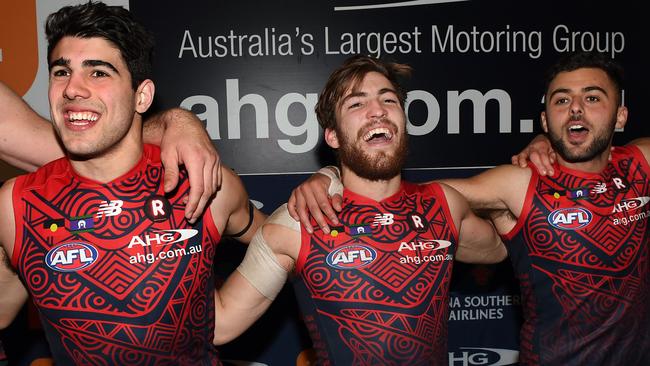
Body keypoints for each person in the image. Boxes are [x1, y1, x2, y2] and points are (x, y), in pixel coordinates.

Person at [290, 51, 650, 365]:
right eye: (561, 100)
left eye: (592, 98)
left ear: (620, 116)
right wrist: (330, 175)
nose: (575, 108)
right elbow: (395, 191)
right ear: (545, 121)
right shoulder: (518, 182)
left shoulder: (643, 163)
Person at [0, 2, 265, 364]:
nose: (72, 89)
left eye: (98, 73)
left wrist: (326, 179)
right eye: (61, 71)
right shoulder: (16, 203)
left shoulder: (204, 184)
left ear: (141, 96)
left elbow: (286, 244)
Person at [211, 54, 506, 365]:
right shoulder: (297, 224)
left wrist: (544, 149)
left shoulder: (444, 204)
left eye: (389, 100)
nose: (377, 111)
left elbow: (500, 246)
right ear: (333, 136)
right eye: (356, 104)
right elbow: (220, 325)